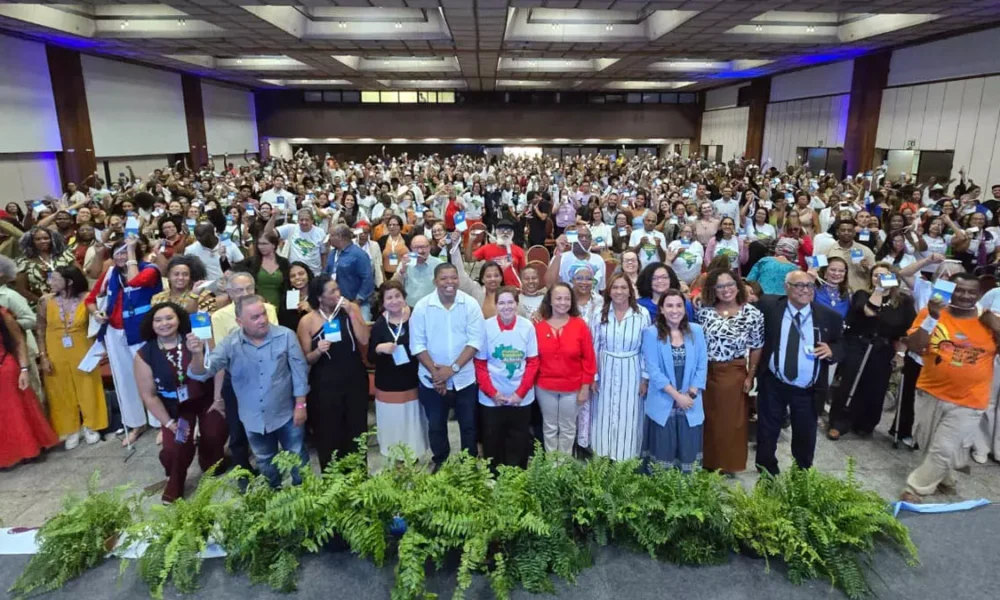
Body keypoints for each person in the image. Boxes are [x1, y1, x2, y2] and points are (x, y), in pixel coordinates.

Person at [187, 294, 310, 488]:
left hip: (286, 413)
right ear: (239, 321)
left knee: (298, 456)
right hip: (253, 419)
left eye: (263, 314)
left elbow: (299, 372)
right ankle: (274, 494)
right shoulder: (230, 344)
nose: (262, 320)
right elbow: (202, 373)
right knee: (265, 460)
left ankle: (305, 495)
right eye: (255, 317)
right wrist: (196, 354)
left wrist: (301, 404)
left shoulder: (286, 335)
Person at [901, 273, 998, 501]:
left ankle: (916, 489)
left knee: (943, 447)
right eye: (959, 290)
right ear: (949, 290)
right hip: (930, 391)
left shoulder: (989, 320)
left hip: (970, 399)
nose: (965, 296)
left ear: (979, 294)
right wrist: (932, 317)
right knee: (927, 443)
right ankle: (945, 478)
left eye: (971, 292)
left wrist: (996, 325)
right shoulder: (932, 312)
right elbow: (915, 346)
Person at [754, 271, 845, 475]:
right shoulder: (770, 306)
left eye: (809, 286)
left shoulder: (829, 316)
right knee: (767, 433)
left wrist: (834, 351)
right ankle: (767, 472)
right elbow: (744, 302)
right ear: (786, 287)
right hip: (774, 384)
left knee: (805, 436)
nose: (805, 290)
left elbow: (843, 343)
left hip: (808, 389)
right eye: (799, 286)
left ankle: (801, 475)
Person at [135, 303, 226, 503]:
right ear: (151, 324)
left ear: (179, 319)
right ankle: (175, 480)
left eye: (169, 318)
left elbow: (216, 369)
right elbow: (149, 395)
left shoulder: (197, 338)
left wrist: (197, 353)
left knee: (214, 432)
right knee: (177, 445)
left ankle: (210, 460)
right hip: (177, 410)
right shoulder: (145, 354)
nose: (164, 323)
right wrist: (168, 423)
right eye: (158, 320)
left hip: (205, 399)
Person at [86, 239, 163, 446]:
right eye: (117, 253)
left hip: (142, 330)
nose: (120, 257)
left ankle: (161, 422)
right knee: (124, 380)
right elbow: (90, 299)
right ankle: (136, 423)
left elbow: (135, 282)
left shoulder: (150, 270)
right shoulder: (110, 273)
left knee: (152, 377)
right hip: (114, 331)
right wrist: (97, 314)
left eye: (125, 252)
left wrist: (130, 252)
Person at [408, 262, 485, 471]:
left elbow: (475, 342)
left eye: (453, 277)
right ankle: (441, 462)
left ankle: (469, 465)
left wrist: (452, 370)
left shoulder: (470, 304)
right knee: (436, 426)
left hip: (464, 379)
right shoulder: (422, 307)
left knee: (468, 425)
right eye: (444, 278)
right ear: (435, 281)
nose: (449, 283)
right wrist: (437, 374)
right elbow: (417, 344)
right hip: (431, 380)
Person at [827, 264, 915, 440]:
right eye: (876, 276)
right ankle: (839, 422)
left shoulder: (904, 302)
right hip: (859, 344)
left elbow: (907, 331)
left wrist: (901, 354)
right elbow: (869, 312)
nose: (879, 279)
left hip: (884, 349)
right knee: (850, 383)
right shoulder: (863, 295)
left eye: (884, 276)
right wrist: (880, 290)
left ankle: (865, 424)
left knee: (876, 388)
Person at [297, 274, 370, 470]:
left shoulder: (350, 310)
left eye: (338, 289)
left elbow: (364, 339)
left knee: (356, 433)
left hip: (354, 379)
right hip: (324, 385)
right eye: (332, 292)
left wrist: (352, 312)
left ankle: (359, 480)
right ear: (320, 297)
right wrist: (318, 351)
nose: (338, 294)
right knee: (329, 434)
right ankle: (332, 481)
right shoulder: (307, 321)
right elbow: (306, 359)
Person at [210, 272, 280, 473]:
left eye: (249, 288)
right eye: (239, 290)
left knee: (269, 424)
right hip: (236, 378)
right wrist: (217, 396)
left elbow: (274, 340)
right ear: (229, 292)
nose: (245, 293)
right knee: (237, 428)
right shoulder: (219, 316)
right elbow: (221, 356)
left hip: (266, 375)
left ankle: (272, 467)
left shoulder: (267, 309)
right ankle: (243, 471)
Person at [697, 269, 764, 474]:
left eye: (730, 285)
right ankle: (706, 461)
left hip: (734, 372)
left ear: (738, 286)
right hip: (706, 372)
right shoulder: (704, 311)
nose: (726, 290)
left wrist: (750, 376)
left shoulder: (752, 313)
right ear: (713, 290)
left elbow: (757, 346)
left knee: (731, 421)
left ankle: (727, 464)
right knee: (708, 419)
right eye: (720, 286)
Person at [37, 266, 107, 448]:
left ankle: (92, 425)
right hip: (55, 348)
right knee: (59, 390)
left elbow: (98, 322)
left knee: (88, 386)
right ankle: (70, 429)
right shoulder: (45, 301)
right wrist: (43, 356)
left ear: (69, 282)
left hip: (82, 346)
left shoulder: (87, 299)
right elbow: (40, 330)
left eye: (55, 279)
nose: (50, 282)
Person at [641, 290, 708, 472]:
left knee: (688, 449)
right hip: (664, 399)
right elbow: (654, 371)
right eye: (669, 306)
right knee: (664, 450)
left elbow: (702, 365)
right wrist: (677, 397)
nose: (674, 310)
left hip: (690, 400)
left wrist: (691, 393)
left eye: (679, 305)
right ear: (661, 309)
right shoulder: (651, 333)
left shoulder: (696, 331)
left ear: (685, 309)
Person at [474, 286, 539, 469]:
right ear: (495, 305)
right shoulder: (486, 327)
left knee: (519, 439)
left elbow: (533, 362)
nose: (506, 307)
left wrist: (519, 394)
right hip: (491, 398)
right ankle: (493, 476)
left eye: (510, 302)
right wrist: (493, 393)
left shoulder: (527, 327)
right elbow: (480, 364)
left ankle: (517, 475)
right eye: (501, 303)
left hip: (521, 397)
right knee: (492, 439)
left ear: (517, 304)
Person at [589, 273, 651, 461]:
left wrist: (644, 377)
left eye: (623, 287)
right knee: (603, 412)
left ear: (630, 291)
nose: (619, 291)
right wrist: (594, 376)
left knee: (629, 413)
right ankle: (602, 455)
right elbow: (593, 345)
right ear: (609, 291)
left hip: (631, 370)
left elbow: (646, 348)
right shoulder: (599, 313)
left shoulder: (642, 314)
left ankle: (626, 459)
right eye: (615, 287)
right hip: (605, 368)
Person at [534, 282, 597, 454]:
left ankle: (563, 466)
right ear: (550, 301)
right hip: (545, 388)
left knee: (568, 428)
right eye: (558, 298)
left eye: (567, 298)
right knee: (549, 427)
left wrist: (585, 387)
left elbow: (589, 359)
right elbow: (534, 360)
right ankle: (551, 468)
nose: (563, 302)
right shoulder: (538, 328)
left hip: (573, 388)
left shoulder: (580, 325)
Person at [368, 280, 427, 459]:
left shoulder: (416, 316)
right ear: (383, 302)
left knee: (412, 422)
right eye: (389, 298)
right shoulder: (379, 324)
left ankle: (414, 456)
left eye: (397, 296)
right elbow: (371, 356)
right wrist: (380, 348)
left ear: (404, 297)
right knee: (392, 423)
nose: (394, 301)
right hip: (388, 383)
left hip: (413, 380)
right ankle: (394, 457)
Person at [0, 306, 58, 468]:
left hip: (5, 367)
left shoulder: (3, 314)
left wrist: (24, 369)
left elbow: (19, 341)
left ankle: (28, 449)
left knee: (16, 411)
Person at [15, 227, 77, 304]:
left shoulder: (65, 255)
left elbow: (80, 277)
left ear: (52, 239)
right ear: (31, 242)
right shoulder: (24, 262)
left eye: (46, 238)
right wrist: (43, 302)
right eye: (38, 239)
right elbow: (22, 289)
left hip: (70, 300)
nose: (43, 241)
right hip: (40, 303)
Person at [326, 224, 375, 319]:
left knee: (361, 331)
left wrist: (357, 301)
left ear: (339, 236)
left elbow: (367, 279)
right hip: (335, 304)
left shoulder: (359, 255)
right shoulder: (332, 253)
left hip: (357, 304)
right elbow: (327, 274)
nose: (329, 238)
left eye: (331, 235)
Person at [232, 231, 289, 311]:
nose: (261, 247)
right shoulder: (251, 262)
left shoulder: (284, 263)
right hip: (256, 305)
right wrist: (223, 259)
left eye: (264, 244)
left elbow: (288, 286)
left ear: (273, 245)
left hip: (280, 306)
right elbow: (232, 272)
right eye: (259, 244)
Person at [264, 208, 327, 277]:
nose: (304, 222)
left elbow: (323, 254)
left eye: (307, 220)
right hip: (295, 274)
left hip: (315, 273)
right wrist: (273, 217)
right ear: (297, 220)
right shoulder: (291, 228)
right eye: (301, 220)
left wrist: (324, 272)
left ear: (312, 220)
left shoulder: (320, 232)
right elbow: (268, 232)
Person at [184, 222, 244, 289]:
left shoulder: (229, 245)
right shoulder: (190, 250)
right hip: (203, 290)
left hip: (227, 288)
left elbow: (241, 266)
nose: (198, 239)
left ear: (212, 233)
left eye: (201, 235)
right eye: (196, 236)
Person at [546, 227, 607, 292]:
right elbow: (549, 285)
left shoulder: (599, 260)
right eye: (580, 236)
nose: (584, 239)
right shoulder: (560, 258)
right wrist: (559, 253)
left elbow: (601, 289)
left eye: (588, 236)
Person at [470, 219, 525, 288]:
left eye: (508, 231)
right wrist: (470, 240)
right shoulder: (487, 248)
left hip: (514, 290)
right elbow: (469, 259)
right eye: (502, 230)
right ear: (497, 232)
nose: (505, 233)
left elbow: (523, 273)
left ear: (512, 233)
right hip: (493, 289)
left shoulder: (519, 250)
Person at [826, 219, 875, 293]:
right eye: (843, 230)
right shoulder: (827, 250)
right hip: (834, 292)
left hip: (860, 293)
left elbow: (876, 272)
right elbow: (817, 271)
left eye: (849, 230)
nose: (846, 233)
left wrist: (868, 268)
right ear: (837, 232)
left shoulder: (866, 250)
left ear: (854, 233)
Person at [393, 234, 443, 307]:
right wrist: (403, 270)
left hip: (433, 307)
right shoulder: (405, 263)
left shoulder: (439, 264)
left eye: (423, 247)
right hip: (410, 307)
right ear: (411, 248)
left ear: (429, 247)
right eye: (416, 248)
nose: (420, 251)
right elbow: (395, 285)